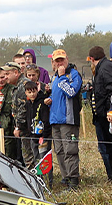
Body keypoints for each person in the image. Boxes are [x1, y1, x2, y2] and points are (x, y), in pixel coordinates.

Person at [45, 49, 82, 190]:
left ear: (67, 59)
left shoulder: (73, 74)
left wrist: (62, 77)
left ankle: (73, 180)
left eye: (62, 60)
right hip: (55, 119)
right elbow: (59, 95)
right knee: (59, 151)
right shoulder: (54, 77)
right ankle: (65, 177)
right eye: (57, 60)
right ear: (53, 62)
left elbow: (71, 92)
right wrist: (50, 98)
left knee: (70, 150)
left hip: (68, 119)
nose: (60, 63)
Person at [89, 45, 112, 181]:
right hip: (102, 114)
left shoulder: (105, 67)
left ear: (91, 58)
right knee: (107, 147)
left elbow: (111, 90)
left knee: (110, 147)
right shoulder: (105, 66)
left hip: (106, 115)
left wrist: (109, 111)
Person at [5, 61, 32, 167]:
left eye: (7, 74)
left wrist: (18, 127)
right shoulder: (16, 86)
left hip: (26, 128)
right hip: (23, 128)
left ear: (16, 73)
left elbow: (23, 108)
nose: (5, 77)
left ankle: (35, 181)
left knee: (29, 157)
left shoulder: (23, 85)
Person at [20, 80, 50, 170]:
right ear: (26, 93)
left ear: (37, 90)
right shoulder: (28, 104)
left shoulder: (42, 103)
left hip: (42, 137)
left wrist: (44, 135)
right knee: (36, 158)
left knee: (44, 159)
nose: (32, 94)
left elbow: (46, 120)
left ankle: (47, 180)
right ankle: (38, 179)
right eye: (29, 92)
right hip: (33, 136)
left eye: (34, 91)